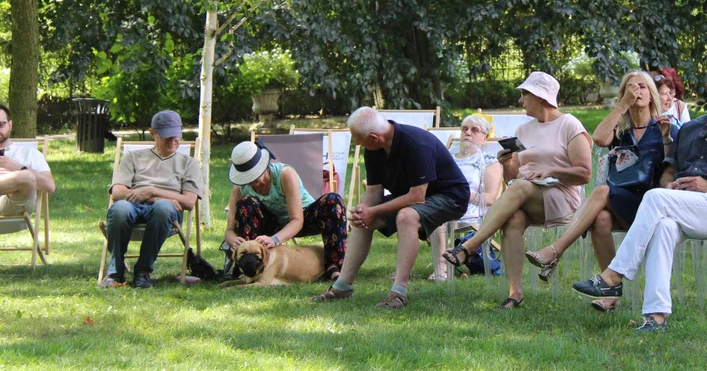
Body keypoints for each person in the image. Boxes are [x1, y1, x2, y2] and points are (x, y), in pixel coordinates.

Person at [573, 57, 707, 332]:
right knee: (663, 225)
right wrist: (669, 186)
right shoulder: (689, 129)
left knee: (653, 197)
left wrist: (706, 186)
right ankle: (656, 316)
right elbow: (669, 170)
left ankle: (613, 275)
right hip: (685, 205)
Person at [524, 70, 675, 312]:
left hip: (650, 204)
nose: (637, 91)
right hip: (619, 202)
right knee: (601, 219)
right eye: (630, 88)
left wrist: (667, 139)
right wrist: (621, 106)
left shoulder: (664, 128)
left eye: (642, 87)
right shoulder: (621, 130)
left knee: (602, 191)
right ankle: (610, 294)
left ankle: (556, 249)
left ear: (652, 95)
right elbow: (599, 138)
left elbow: (671, 169)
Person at [440, 72, 592, 309]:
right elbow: (513, 177)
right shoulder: (523, 130)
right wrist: (507, 164)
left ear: (541, 97)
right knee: (512, 218)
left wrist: (552, 169)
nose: (520, 100)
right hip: (528, 196)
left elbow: (585, 173)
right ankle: (515, 293)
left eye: (524, 94)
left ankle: (471, 245)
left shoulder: (569, 124)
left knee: (521, 187)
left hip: (564, 197)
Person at [312, 108, 469, 308]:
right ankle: (342, 287)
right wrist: (364, 211)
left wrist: (374, 211)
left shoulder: (416, 144)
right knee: (363, 221)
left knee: (406, 216)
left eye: (358, 140)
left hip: (450, 196)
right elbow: (374, 191)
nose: (357, 144)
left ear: (374, 137)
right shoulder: (374, 149)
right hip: (415, 196)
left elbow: (417, 196)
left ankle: (398, 293)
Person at [100, 110, 203, 289]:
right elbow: (117, 192)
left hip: (166, 213)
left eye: (176, 136)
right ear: (153, 134)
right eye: (166, 137)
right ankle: (115, 272)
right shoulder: (133, 157)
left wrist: (152, 192)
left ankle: (143, 271)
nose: (173, 141)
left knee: (163, 207)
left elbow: (188, 202)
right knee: (119, 209)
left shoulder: (189, 163)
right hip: (133, 205)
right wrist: (152, 197)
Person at [223, 141, 348, 280]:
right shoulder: (239, 189)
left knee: (333, 201)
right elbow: (229, 231)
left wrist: (275, 239)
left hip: (302, 218)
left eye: (254, 176)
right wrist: (234, 241)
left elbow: (297, 220)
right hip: (270, 223)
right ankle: (249, 268)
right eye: (247, 178)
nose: (252, 182)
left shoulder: (285, 174)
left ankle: (334, 266)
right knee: (246, 204)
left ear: (264, 167)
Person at [429, 114, 503, 281]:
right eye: (464, 129)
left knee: (437, 214)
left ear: (484, 137)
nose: (467, 133)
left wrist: (459, 193)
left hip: (472, 212)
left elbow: (490, 198)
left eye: (474, 130)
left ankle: (441, 267)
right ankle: (410, 268)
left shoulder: (489, 161)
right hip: (444, 203)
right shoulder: (447, 158)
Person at [0, 103, 56, 225]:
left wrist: (18, 167)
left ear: (10, 125)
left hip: (10, 206)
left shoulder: (29, 154)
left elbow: (50, 186)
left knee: (26, 176)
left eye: (0, 125)